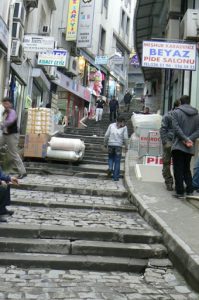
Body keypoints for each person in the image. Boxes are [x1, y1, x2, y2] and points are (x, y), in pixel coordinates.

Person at [172, 95, 199, 198]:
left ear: (180, 102)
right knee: (187, 168)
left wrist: (184, 139)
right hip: (189, 146)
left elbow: (176, 128)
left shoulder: (176, 113)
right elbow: (198, 131)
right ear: (189, 102)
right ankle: (189, 189)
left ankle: (180, 192)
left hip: (178, 145)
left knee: (178, 169)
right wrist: (189, 139)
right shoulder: (196, 115)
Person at [0, 97, 27, 179]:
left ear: (10, 104)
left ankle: (23, 172)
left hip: (12, 135)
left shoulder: (12, 112)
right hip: (5, 135)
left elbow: (10, 121)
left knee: (13, 153)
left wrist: (1, 124)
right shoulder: (4, 112)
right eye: (4, 103)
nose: (5, 105)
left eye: (7, 103)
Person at [160, 100, 180, 191]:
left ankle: (176, 183)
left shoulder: (180, 115)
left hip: (178, 142)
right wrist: (165, 142)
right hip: (169, 141)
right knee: (167, 163)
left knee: (176, 163)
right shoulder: (168, 115)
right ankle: (169, 182)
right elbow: (163, 128)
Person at [104, 116, 128, 181]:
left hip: (110, 145)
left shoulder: (111, 125)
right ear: (120, 122)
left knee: (110, 158)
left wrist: (105, 144)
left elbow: (106, 135)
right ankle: (115, 177)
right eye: (123, 122)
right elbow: (125, 138)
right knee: (117, 161)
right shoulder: (124, 128)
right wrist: (126, 146)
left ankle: (110, 168)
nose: (124, 124)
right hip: (118, 146)